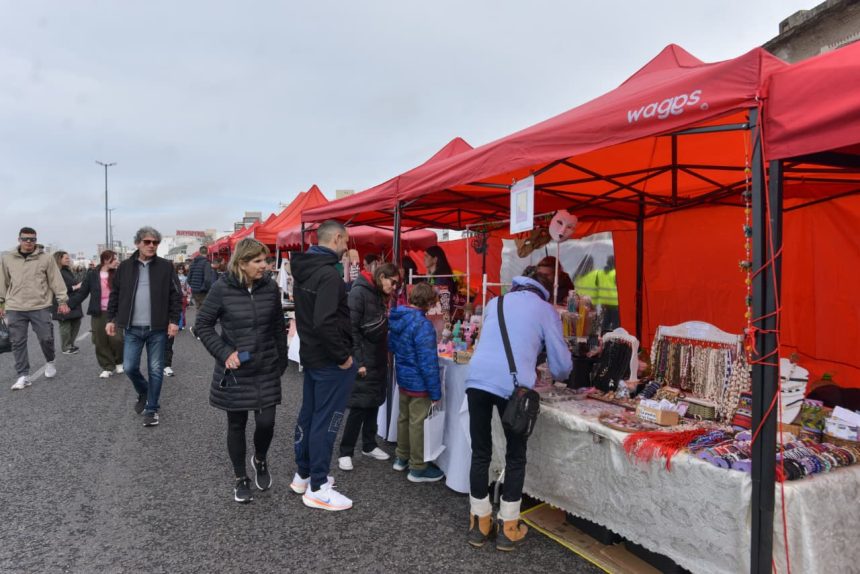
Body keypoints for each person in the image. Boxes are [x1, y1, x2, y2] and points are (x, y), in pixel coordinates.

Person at [465, 267, 572, 551]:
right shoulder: (546, 310)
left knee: (480, 451)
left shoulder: (495, 301)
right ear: (546, 289)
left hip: (476, 379)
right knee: (515, 456)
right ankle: (508, 527)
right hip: (511, 388)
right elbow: (562, 367)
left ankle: (479, 523)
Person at [195, 238, 288, 504]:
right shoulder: (221, 288)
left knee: (266, 423)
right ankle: (240, 477)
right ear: (242, 263)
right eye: (258, 261)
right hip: (236, 370)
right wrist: (225, 353)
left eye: (266, 260)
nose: (265, 266)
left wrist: (281, 360)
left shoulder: (270, 288)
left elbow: (276, 327)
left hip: (266, 366)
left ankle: (259, 458)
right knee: (236, 424)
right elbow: (202, 325)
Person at [289, 220, 357, 511]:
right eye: (347, 241)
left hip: (313, 354)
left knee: (310, 415)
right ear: (337, 238)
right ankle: (318, 486)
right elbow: (325, 321)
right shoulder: (328, 275)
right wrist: (343, 356)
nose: (348, 247)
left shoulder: (305, 268)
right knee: (326, 420)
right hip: (329, 360)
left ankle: (304, 474)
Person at [106, 226, 182, 427]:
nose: (151, 245)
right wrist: (110, 319)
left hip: (157, 328)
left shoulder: (166, 266)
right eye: (147, 242)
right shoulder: (124, 267)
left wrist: (174, 321)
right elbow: (116, 294)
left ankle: (152, 408)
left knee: (156, 369)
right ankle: (145, 391)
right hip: (132, 327)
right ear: (137, 243)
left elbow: (176, 296)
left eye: (155, 242)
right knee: (130, 367)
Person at [337, 262, 400, 472]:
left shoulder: (374, 292)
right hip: (364, 357)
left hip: (377, 355)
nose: (394, 287)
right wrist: (359, 361)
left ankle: (369, 444)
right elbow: (350, 329)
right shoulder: (359, 293)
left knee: (373, 402)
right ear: (382, 276)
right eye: (392, 282)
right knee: (358, 407)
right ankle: (345, 451)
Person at [388, 282, 444, 483]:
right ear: (428, 303)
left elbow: (392, 345)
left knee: (404, 418)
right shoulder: (423, 325)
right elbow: (428, 362)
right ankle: (418, 467)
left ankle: (401, 457)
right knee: (417, 422)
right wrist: (435, 393)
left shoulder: (398, 317)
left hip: (403, 377)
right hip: (419, 382)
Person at [0, 227, 69, 390]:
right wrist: (1, 302)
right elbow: (2, 281)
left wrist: (63, 300)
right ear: (19, 240)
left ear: (36, 241)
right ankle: (23, 375)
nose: (29, 242)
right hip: (15, 306)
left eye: (32, 239)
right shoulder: (7, 258)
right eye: (25, 239)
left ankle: (50, 361)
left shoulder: (45, 258)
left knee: (46, 338)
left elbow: (56, 280)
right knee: (18, 342)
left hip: (40, 305)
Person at [68, 250, 124, 379]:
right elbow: (82, 293)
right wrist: (68, 305)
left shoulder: (118, 275)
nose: (116, 261)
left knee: (117, 339)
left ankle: (119, 361)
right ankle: (107, 366)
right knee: (100, 340)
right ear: (105, 260)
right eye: (114, 259)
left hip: (115, 312)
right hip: (98, 312)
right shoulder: (92, 275)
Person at [51, 251, 84, 355]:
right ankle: (66, 347)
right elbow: (56, 287)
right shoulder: (56, 272)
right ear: (59, 259)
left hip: (74, 301)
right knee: (65, 324)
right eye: (66, 258)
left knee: (76, 322)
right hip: (62, 301)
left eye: (68, 257)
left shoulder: (67, 270)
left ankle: (70, 344)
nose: (68, 259)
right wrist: (75, 287)